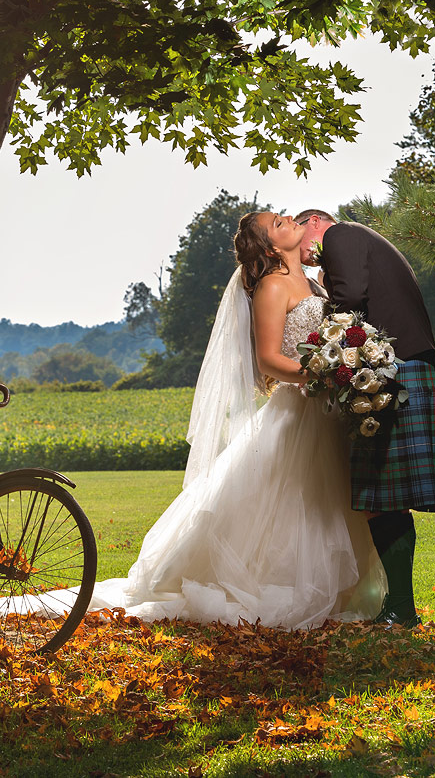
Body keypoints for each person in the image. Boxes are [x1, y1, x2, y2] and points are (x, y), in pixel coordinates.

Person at [84, 210, 386, 629]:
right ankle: (285, 588)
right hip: (300, 409)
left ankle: (340, 595)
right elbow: (269, 359)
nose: (288, 219)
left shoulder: (315, 282)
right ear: (269, 247)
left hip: (330, 410)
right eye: (278, 223)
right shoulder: (272, 286)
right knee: (298, 503)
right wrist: (320, 375)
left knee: (329, 504)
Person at [295, 209, 435, 628]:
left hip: (395, 371)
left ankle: (401, 611)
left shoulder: (339, 236)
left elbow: (350, 300)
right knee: (383, 501)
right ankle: (400, 608)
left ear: (313, 223)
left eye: (304, 247)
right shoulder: (359, 241)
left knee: (384, 499)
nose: (307, 258)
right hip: (401, 370)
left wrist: (324, 338)